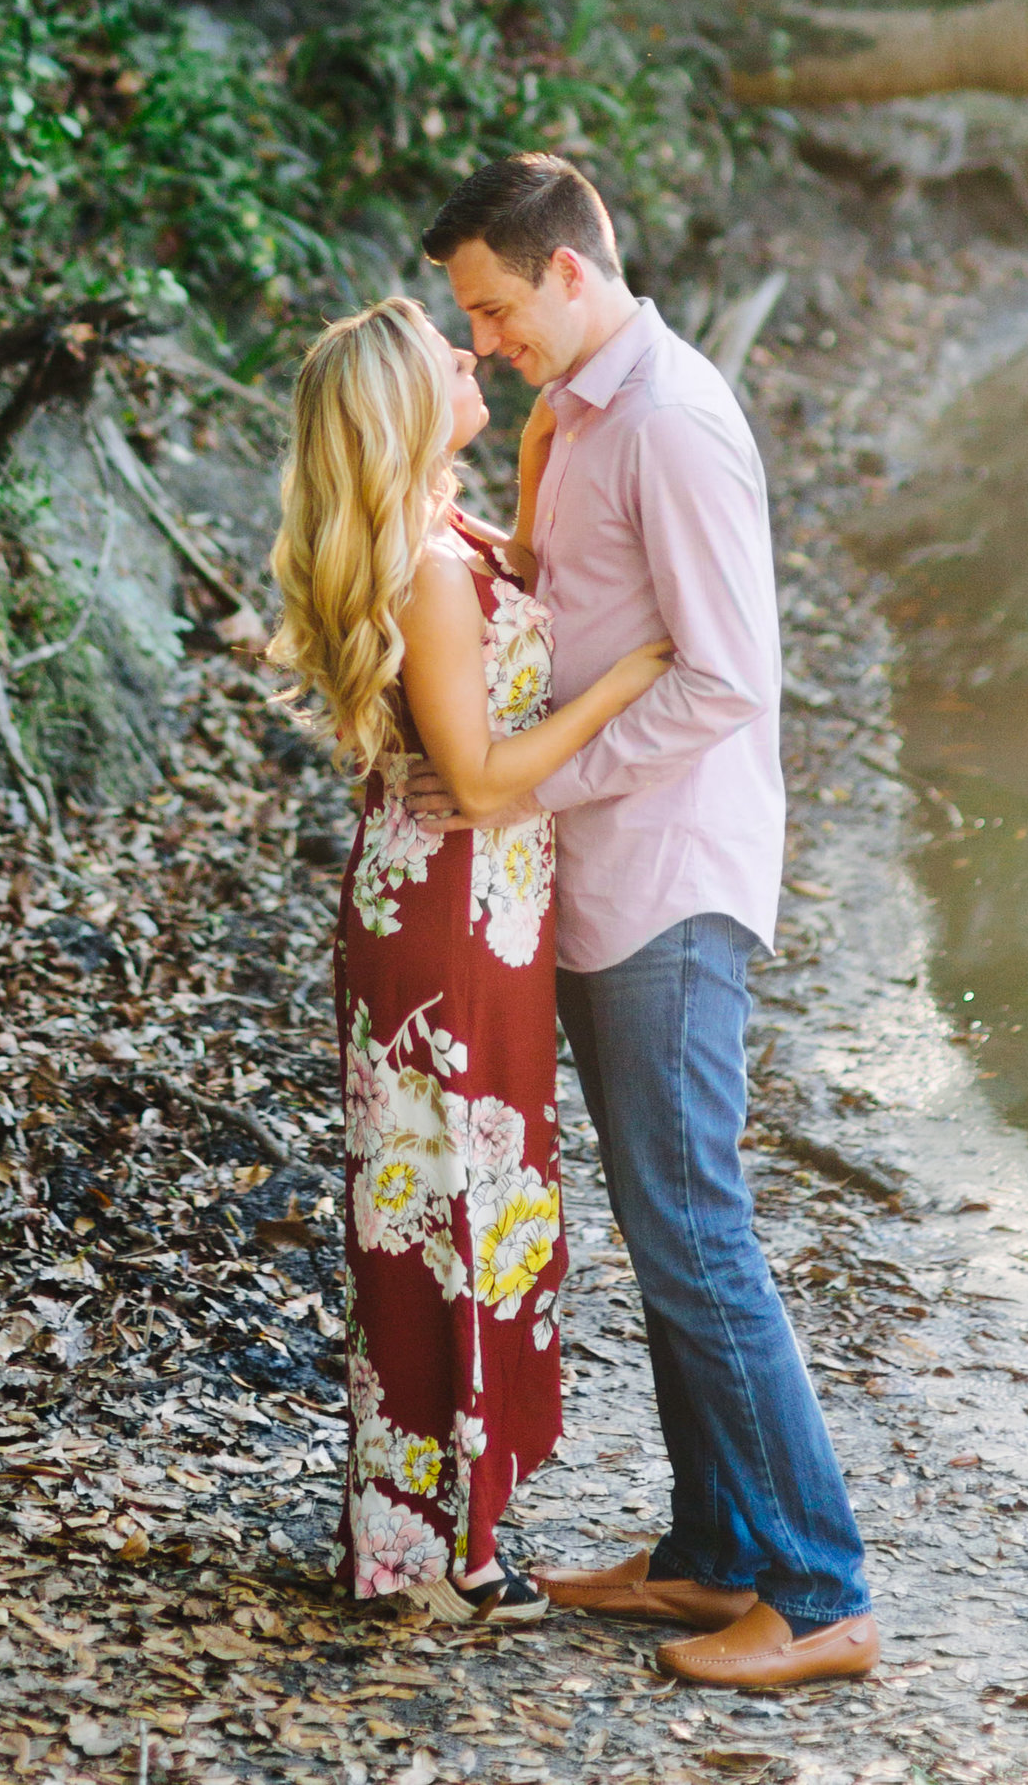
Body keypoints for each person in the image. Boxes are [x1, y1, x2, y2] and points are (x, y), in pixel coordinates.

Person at [413, 152, 878, 1694]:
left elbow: (729, 674)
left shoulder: (671, 420)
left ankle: (818, 1590)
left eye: (490, 308)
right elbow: (577, 608)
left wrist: (539, 780)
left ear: (565, 269)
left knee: (695, 1228)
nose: (479, 342)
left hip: (672, 870)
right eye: (465, 321)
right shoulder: (572, 414)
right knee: (664, 1225)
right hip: (599, 875)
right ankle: (712, 1553)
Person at [270, 294, 673, 1627]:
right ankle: (429, 1548)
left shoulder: (450, 532)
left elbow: (543, 516)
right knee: (439, 1214)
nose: (472, 354)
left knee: (477, 1206)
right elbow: (487, 773)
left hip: (483, 914)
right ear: (403, 403)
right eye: (448, 354)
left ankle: (455, 1524)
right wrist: (636, 679)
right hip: (443, 921)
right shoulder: (430, 572)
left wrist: (562, 404)